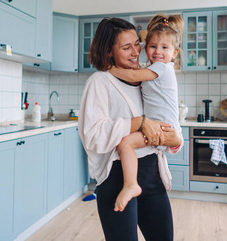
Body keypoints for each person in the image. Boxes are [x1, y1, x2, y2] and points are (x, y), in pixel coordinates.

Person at [78, 17, 182, 241]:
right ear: (108, 51)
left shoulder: (148, 78)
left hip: (152, 173)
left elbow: (168, 131)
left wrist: (174, 138)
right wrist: (139, 122)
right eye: (126, 47)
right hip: (117, 177)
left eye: (137, 43)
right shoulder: (100, 82)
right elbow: (92, 135)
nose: (136, 52)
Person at [108, 14, 184, 212]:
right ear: (146, 47)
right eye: (153, 46)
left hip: (162, 128)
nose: (158, 52)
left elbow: (133, 75)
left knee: (125, 144)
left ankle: (131, 185)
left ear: (174, 53)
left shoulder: (162, 68)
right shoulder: (154, 69)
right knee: (126, 144)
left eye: (164, 48)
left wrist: (110, 69)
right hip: (161, 127)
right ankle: (132, 184)